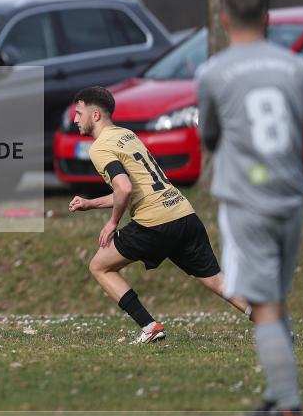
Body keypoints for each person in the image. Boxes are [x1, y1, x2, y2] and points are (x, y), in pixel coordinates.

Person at [196, 0, 303, 416]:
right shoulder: (296, 66)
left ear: (225, 20)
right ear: (267, 19)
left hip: (246, 200)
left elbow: (209, 136)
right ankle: (276, 396)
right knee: (275, 297)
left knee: (265, 302)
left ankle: (288, 410)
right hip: (291, 196)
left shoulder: (213, 72)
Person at [67, 86, 250, 344]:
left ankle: (149, 326)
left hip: (155, 223)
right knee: (217, 281)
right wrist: (91, 203)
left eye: (79, 113)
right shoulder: (127, 135)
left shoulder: (99, 148)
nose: (75, 119)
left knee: (99, 266)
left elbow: (124, 188)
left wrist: (112, 223)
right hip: (183, 213)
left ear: (95, 115)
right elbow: (133, 189)